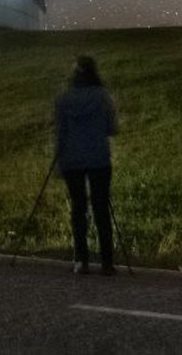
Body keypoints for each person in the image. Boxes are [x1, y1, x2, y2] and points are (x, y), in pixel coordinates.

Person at [55, 55, 118, 275]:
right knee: (101, 208)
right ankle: (107, 262)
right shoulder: (102, 97)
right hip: (98, 159)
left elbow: (60, 133)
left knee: (78, 208)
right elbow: (112, 128)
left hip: (72, 160)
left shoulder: (64, 100)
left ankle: (81, 260)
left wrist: (59, 161)